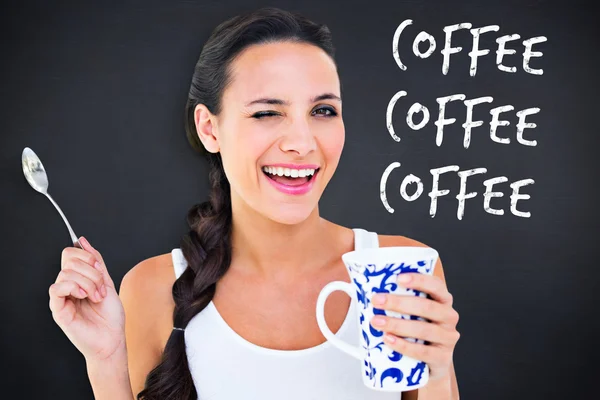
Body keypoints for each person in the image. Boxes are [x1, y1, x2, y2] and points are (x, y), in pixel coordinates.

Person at [48, 7, 460, 400]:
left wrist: (437, 374)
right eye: (266, 113)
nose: (302, 143)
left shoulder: (404, 270)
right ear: (210, 129)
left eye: (322, 110)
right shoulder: (154, 290)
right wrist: (104, 363)